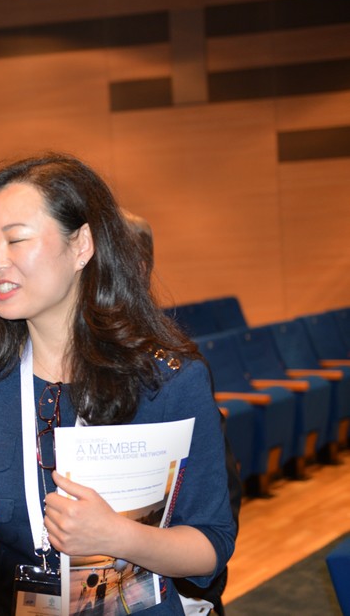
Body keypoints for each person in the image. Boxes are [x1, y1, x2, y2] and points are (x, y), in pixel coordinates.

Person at [0, 153, 237, 615]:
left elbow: (210, 544)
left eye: (16, 239)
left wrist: (119, 536)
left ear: (81, 245)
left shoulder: (166, 380)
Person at [122, 209, 243, 615]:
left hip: (175, 588)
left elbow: (219, 489)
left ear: (137, 267)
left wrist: (192, 590)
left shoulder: (173, 368)